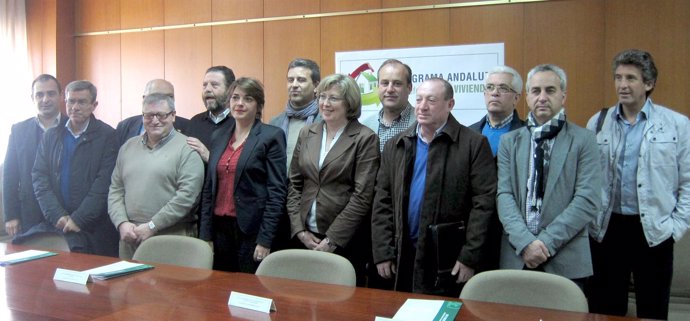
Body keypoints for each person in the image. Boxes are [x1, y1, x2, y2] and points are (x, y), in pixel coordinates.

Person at [586, 49, 690, 320]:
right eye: (618, 77)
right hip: (607, 229)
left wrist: (675, 228)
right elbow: (587, 178)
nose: (622, 85)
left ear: (648, 83)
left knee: (653, 309)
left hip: (653, 229)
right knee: (606, 309)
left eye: (631, 78)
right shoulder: (598, 122)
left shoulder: (676, 125)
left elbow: (688, 182)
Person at [371, 78, 496, 297]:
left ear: (450, 104)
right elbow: (382, 200)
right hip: (403, 255)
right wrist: (383, 252)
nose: (422, 106)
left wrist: (469, 256)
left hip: (448, 258)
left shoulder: (473, 144)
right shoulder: (397, 144)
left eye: (431, 100)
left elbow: (483, 206)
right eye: (419, 99)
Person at [496, 64, 601, 288]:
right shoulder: (510, 141)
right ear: (526, 97)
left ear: (563, 95)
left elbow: (587, 200)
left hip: (565, 258)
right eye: (535, 91)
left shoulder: (584, 140)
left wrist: (545, 243)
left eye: (550, 90)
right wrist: (525, 243)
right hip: (517, 256)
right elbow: (504, 196)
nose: (542, 97)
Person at [287, 74, 379, 285]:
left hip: (345, 241)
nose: (325, 103)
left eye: (333, 98)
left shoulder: (365, 138)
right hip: (305, 236)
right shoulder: (307, 133)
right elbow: (294, 184)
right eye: (322, 97)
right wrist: (299, 230)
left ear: (350, 103)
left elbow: (362, 196)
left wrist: (333, 239)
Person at [199, 78, 287, 273]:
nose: (239, 103)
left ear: (259, 106)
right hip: (219, 228)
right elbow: (209, 189)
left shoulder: (271, 136)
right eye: (235, 98)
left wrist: (265, 239)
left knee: (249, 291)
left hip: (251, 230)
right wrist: (205, 235)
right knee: (219, 289)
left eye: (248, 99)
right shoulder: (219, 136)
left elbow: (277, 193)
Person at [108, 93, 204, 259]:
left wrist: (152, 226)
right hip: (130, 237)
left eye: (161, 115)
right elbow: (115, 189)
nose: (154, 120)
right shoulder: (128, 147)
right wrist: (121, 223)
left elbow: (187, 196)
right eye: (148, 115)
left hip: (171, 237)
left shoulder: (187, 148)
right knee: (127, 285)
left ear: (173, 115)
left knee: (167, 285)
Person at [32, 80, 119, 256]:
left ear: (94, 105)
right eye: (71, 101)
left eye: (82, 102)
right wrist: (57, 215)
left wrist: (79, 219)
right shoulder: (52, 135)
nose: (75, 107)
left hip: (94, 228)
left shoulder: (108, 136)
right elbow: (39, 178)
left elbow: (104, 184)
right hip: (57, 223)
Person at [4, 74, 67, 240]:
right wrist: (11, 215)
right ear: (32, 98)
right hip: (30, 212)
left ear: (61, 96)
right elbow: (10, 175)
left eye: (51, 93)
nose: (45, 99)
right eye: (39, 94)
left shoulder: (73, 127)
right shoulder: (19, 131)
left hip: (65, 213)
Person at [269, 58, 321, 169]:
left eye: (301, 80)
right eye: (290, 80)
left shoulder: (325, 121)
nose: (294, 85)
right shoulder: (274, 123)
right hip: (280, 184)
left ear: (316, 86)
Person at [469, 65, 526, 156]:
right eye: (490, 87)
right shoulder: (469, 132)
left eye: (503, 88)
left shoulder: (527, 133)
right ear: (484, 94)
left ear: (516, 98)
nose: (495, 93)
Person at [115, 79, 190, 147]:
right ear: (144, 99)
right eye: (156, 97)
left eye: (170, 97)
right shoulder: (124, 127)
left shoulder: (188, 126)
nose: (164, 101)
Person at [361, 59, 416, 151]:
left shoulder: (423, 123)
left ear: (409, 88)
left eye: (397, 84)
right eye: (385, 83)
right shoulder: (365, 126)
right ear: (378, 87)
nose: (390, 89)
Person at [186, 66, 236, 163]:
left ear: (230, 90)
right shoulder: (194, 122)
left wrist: (209, 157)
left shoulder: (240, 123)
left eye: (214, 85)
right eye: (204, 85)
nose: (207, 89)